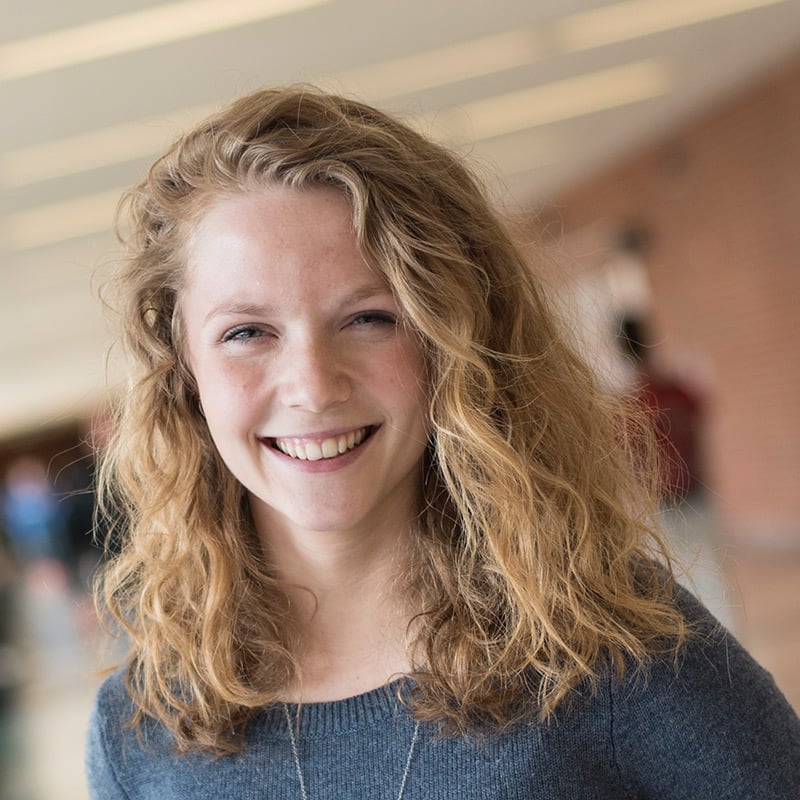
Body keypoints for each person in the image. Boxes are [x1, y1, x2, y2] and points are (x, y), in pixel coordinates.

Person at [86, 86, 800, 799]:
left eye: (368, 318)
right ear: (182, 370)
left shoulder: (607, 651)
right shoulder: (139, 729)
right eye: (246, 332)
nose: (313, 385)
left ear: (453, 343)